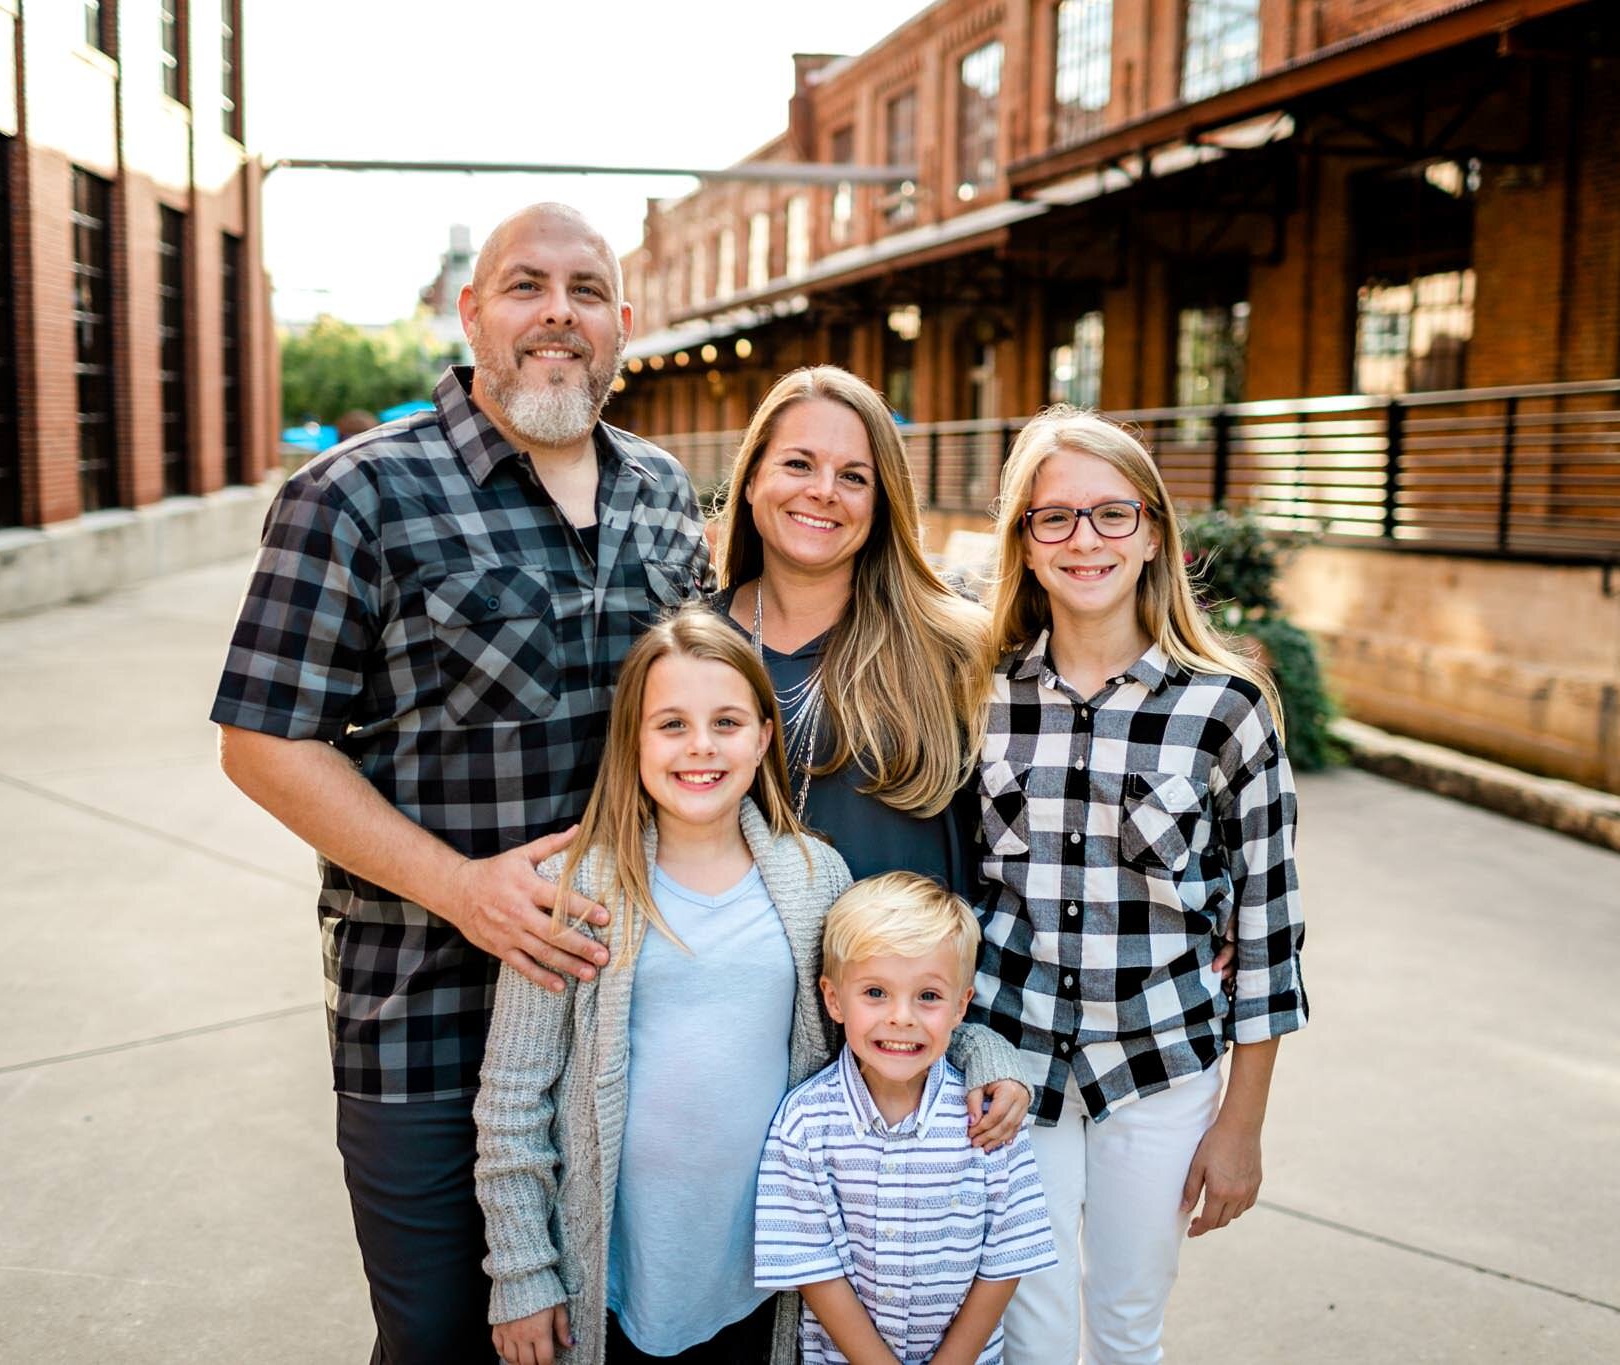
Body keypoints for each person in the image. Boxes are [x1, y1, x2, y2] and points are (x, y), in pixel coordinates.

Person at [210, 202, 710, 1364]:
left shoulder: (661, 492)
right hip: (425, 1017)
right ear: (471, 310)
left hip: (625, 1009)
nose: (558, 314)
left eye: (586, 291)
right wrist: (460, 888)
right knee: (441, 1337)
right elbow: (262, 741)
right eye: (525, 286)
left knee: (614, 1325)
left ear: (622, 325)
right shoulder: (354, 496)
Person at [475, 609, 1031, 1365]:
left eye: (727, 721)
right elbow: (513, 1094)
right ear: (633, 738)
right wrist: (521, 1275)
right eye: (671, 723)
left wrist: (985, 1056)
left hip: (764, 1275)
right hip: (615, 1277)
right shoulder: (573, 887)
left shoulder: (810, 877)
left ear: (764, 735)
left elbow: (880, 1004)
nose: (701, 746)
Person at [966, 407, 1310, 1365]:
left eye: (1112, 514)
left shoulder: (1227, 707)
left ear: (1153, 532)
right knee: (1022, 1332)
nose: (1086, 539)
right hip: (1013, 1067)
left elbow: (1270, 934)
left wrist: (1241, 1125)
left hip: (1159, 1068)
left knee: (1124, 1325)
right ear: (1024, 545)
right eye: (1055, 518)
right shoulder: (977, 695)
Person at [754, 873, 1058, 1365]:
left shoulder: (989, 1119)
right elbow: (812, 1266)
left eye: (929, 997)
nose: (902, 1017)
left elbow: (1007, 1256)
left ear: (962, 1005)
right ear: (834, 999)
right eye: (875, 992)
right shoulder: (805, 1123)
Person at [710, 366, 989, 889]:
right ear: (751, 479)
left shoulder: (954, 643)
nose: (823, 491)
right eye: (798, 464)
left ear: (881, 503)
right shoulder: (692, 650)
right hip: (749, 969)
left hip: (914, 966)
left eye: (854, 476)